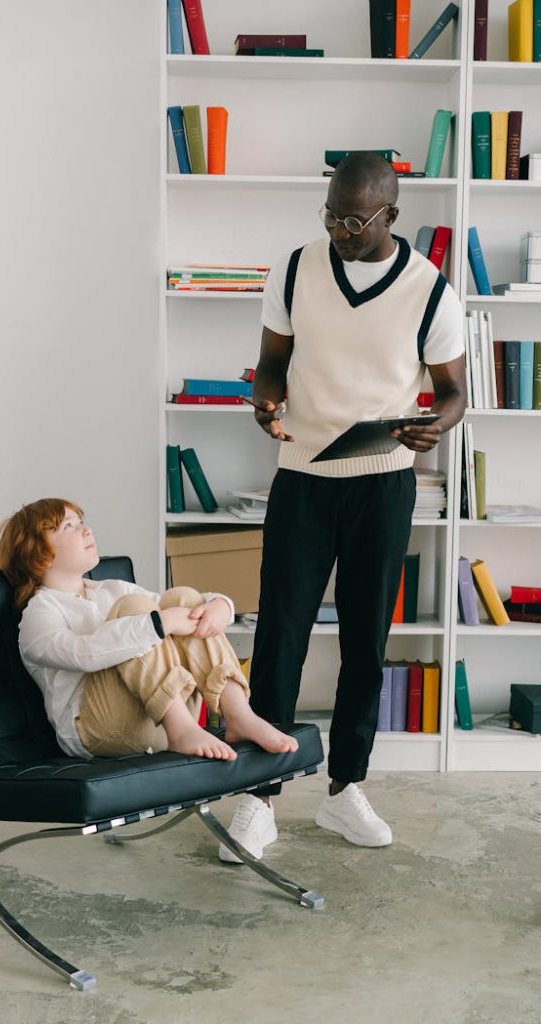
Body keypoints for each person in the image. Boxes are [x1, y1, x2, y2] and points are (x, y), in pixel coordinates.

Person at [219, 153, 467, 863]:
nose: (340, 230)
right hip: (300, 476)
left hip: (383, 482)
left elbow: (452, 391)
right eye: (329, 215)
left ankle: (344, 790)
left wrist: (436, 425)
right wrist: (263, 402)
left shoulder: (430, 291)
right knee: (280, 637)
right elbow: (272, 361)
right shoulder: (294, 269)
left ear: (390, 215)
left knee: (365, 642)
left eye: (354, 219)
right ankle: (258, 798)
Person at [0, 497, 299, 764]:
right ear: (37, 554)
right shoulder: (39, 612)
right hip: (99, 730)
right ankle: (180, 728)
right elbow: (83, 654)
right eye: (68, 527)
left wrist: (221, 606)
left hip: (161, 720)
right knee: (138, 611)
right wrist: (159, 623)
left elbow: (178, 609)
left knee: (182, 597)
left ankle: (239, 715)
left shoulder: (112, 588)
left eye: (82, 521)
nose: (86, 529)